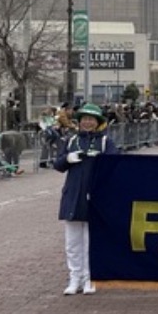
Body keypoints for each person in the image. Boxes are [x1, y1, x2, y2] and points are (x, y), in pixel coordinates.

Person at [53, 103, 117, 295]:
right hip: (73, 194)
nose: (87, 123)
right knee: (72, 242)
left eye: (91, 119)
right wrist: (68, 158)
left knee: (91, 241)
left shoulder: (105, 142)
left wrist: (100, 160)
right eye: (84, 119)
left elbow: (114, 165)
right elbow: (58, 165)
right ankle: (75, 278)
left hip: (94, 195)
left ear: (97, 122)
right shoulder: (71, 140)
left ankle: (90, 278)